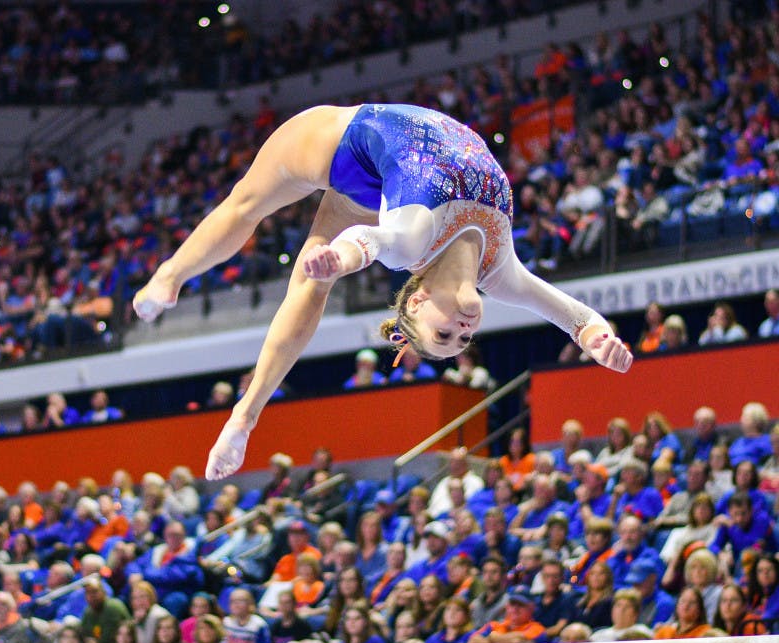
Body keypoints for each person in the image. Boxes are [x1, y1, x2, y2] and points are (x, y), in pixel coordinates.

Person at [132, 104, 633, 481]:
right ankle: (192, 311)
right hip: (389, 168)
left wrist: (336, 259)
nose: (461, 333)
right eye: (462, 340)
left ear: (416, 300)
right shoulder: (500, 271)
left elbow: (371, 241)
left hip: (345, 145)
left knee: (251, 210)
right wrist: (598, 339)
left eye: (443, 334)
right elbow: (574, 315)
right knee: (279, 237)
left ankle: (221, 374)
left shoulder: (410, 241)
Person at [467, 586, 547, 643]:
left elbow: (518, 642)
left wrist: (492, 637)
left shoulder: (537, 629)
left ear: (531, 608)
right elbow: (472, 641)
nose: (515, 608)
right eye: (512, 604)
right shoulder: (493, 625)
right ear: (507, 606)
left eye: (521, 605)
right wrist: (505, 640)